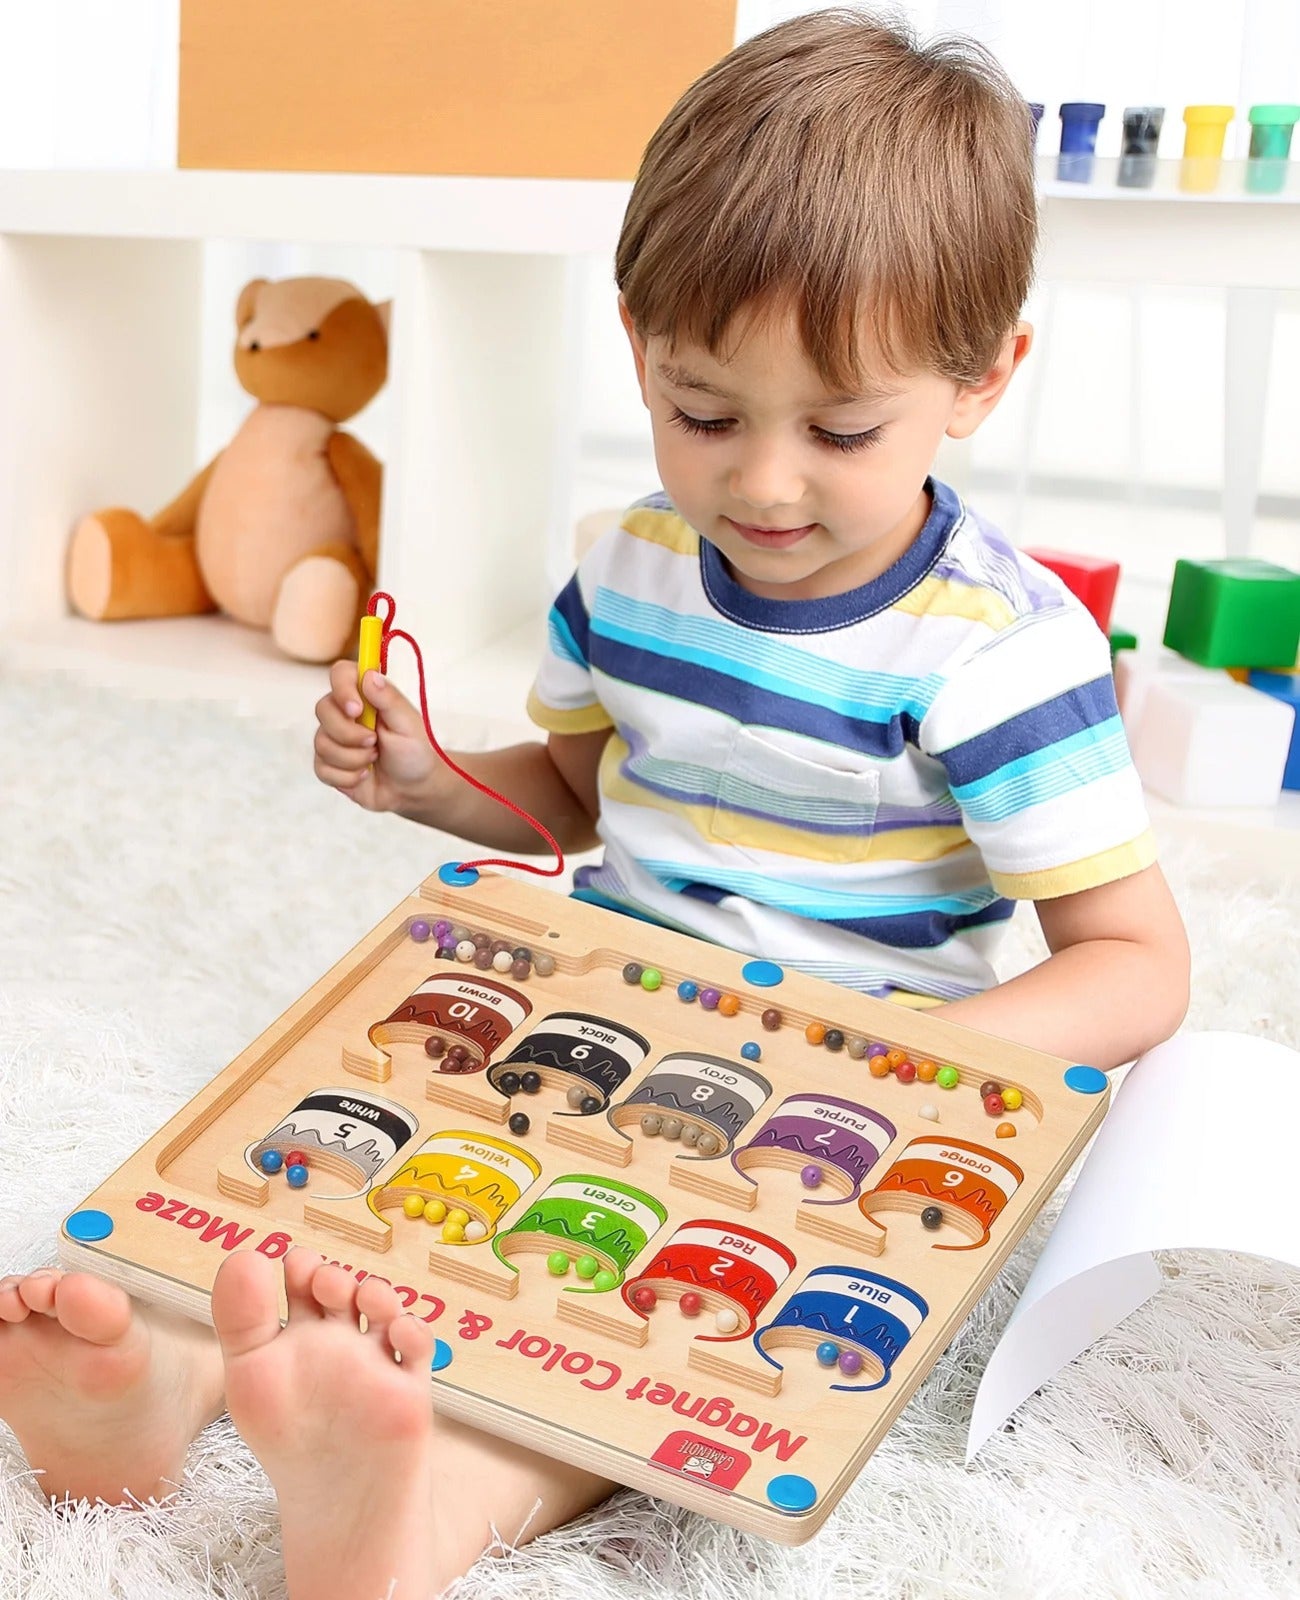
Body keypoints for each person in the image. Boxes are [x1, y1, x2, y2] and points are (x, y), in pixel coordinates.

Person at [0, 12, 1189, 1599]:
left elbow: (1140, 961)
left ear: (983, 381)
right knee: (359, 1151)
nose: (764, 487)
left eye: (840, 433)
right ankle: (159, 1381)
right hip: (609, 1003)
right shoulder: (627, 563)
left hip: (850, 1096)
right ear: (637, 348)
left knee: (640, 1316)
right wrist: (429, 778)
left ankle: (421, 1511)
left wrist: (931, 1062)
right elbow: (579, 796)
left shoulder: (1001, 650)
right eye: (706, 414)